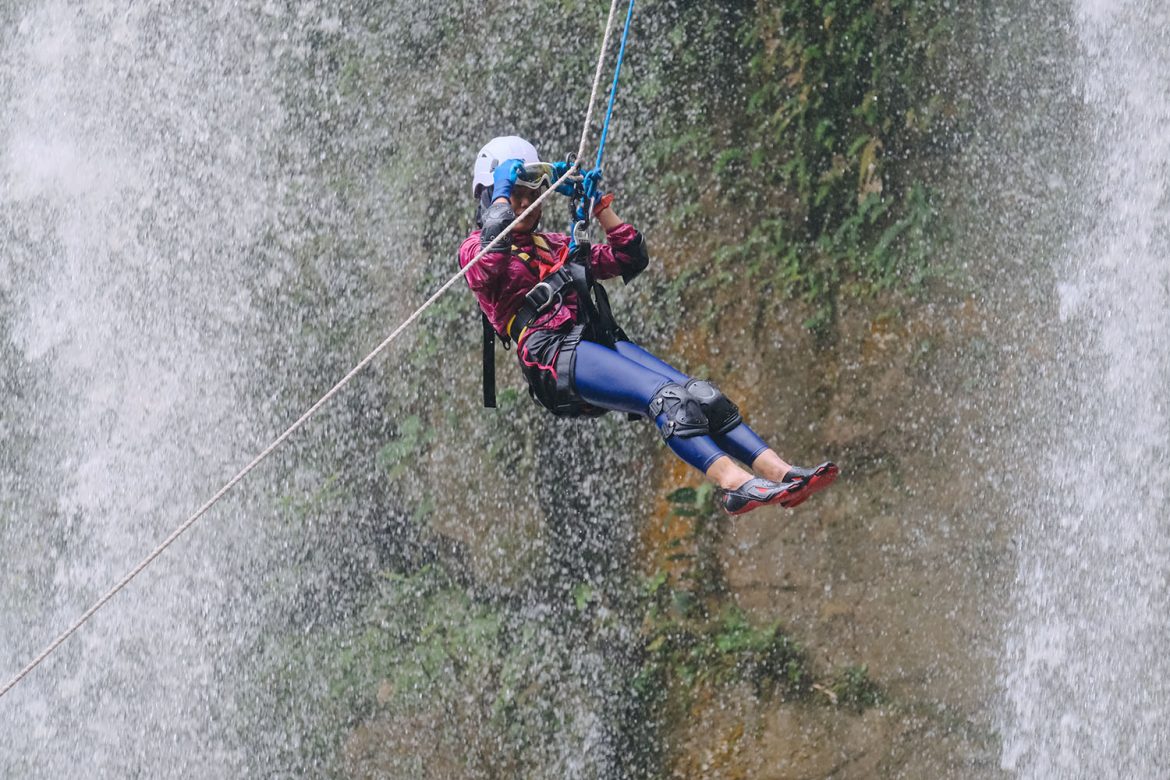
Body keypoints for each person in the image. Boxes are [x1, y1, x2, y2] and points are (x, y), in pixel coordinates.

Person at [459, 136, 837, 515]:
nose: (525, 204)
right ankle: (734, 484)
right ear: (489, 197)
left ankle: (781, 472)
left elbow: (629, 258)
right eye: (515, 195)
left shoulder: (553, 244)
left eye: (532, 195)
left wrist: (600, 208)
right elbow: (491, 261)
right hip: (551, 355)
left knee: (701, 397)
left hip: (592, 340)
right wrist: (501, 195)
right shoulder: (473, 250)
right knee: (665, 399)